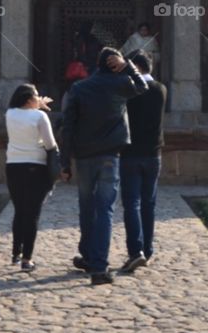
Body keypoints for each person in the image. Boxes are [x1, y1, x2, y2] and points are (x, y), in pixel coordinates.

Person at [59, 46, 147, 286]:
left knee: (87, 207)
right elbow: (143, 86)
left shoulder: (79, 88)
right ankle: (98, 266)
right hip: (110, 155)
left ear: (95, 65)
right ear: (114, 65)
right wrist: (128, 65)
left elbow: (67, 128)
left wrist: (64, 162)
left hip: (85, 156)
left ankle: (89, 255)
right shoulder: (119, 85)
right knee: (105, 210)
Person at [118, 51, 166, 273]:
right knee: (148, 203)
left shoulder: (129, 92)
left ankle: (135, 251)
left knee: (131, 204)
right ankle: (147, 249)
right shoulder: (161, 89)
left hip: (130, 154)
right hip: (153, 154)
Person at [4, 83, 58, 271]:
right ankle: (27, 259)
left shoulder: (9, 114)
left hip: (13, 166)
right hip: (35, 166)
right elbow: (50, 144)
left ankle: (15, 254)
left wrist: (37, 104)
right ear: (28, 99)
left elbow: (24, 112)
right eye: (36, 96)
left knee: (20, 210)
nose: (39, 98)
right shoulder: (40, 116)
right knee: (32, 214)